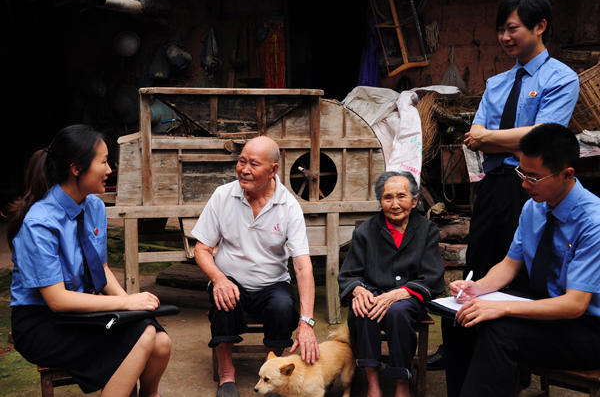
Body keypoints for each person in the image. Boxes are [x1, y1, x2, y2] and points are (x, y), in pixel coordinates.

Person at [429, 0, 580, 373]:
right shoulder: (496, 82)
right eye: (500, 30)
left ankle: (514, 356)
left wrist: (490, 137)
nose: (504, 37)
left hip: (531, 185)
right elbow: (474, 134)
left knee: (523, 269)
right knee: (478, 265)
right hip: (493, 181)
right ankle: (459, 348)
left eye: (512, 28)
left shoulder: (561, 78)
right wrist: (495, 137)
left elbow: (543, 137)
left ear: (540, 26)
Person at [6, 125, 171, 397]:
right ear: (76, 168)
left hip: (82, 313)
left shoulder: (94, 206)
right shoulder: (40, 223)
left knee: (161, 342)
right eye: (104, 161)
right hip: (43, 323)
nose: (110, 169)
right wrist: (126, 303)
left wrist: (134, 307)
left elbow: (101, 268)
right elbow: (58, 300)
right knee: (143, 336)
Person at [447, 123, 600, 397]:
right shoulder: (534, 208)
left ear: (567, 174)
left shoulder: (593, 222)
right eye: (522, 173)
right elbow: (509, 265)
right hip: (547, 311)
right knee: (460, 318)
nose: (524, 184)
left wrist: (502, 308)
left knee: (500, 332)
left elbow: (575, 305)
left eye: (534, 177)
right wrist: (477, 288)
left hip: (588, 328)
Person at [192, 136, 319, 397]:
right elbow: (202, 249)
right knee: (224, 300)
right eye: (241, 161)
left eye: (253, 164)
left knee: (283, 307)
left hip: (272, 284)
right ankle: (226, 375)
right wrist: (219, 279)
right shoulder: (223, 196)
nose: (244, 169)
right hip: (230, 280)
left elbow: (303, 267)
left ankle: (273, 370)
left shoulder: (289, 206)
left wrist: (306, 322)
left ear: (273, 170)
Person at [338, 171, 445, 397]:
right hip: (373, 293)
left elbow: (432, 276)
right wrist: (358, 289)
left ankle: (401, 384)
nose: (395, 204)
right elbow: (349, 273)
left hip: (409, 298)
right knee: (364, 310)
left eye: (401, 196)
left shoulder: (427, 230)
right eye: (388, 197)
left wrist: (398, 294)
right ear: (381, 201)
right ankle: (373, 384)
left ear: (414, 200)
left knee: (398, 312)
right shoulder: (365, 230)